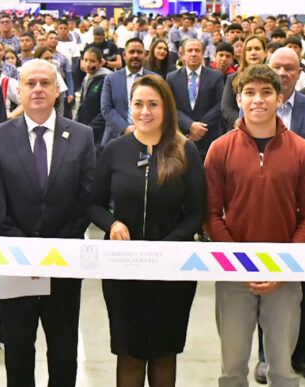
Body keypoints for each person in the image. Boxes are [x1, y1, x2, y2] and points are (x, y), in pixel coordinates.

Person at [204, 63, 305, 387]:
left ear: (279, 98)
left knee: (283, 370)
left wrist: (283, 266)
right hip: (233, 275)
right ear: (239, 98)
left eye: (266, 93)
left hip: (284, 275)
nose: (258, 100)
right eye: (250, 93)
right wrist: (239, 263)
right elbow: (211, 215)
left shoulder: (302, 151)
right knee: (232, 370)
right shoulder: (219, 150)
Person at [0, 59, 96, 387]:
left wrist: (53, 249)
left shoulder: (82, 136)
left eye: (45, 82)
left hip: (64, 260)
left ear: (58, 89)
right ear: (19, 91)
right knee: (18, 346)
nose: (38, 89)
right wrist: (24, 249)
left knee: (62, 346)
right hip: (17, 260)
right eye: (30, 83)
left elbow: (86, 198)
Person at [88, 75, 206, 387]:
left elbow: (197, 213)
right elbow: (94, 205)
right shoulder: (115, 150)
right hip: (123, 269)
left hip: (172, 270)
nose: (145, 111)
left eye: (153, 104)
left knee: (164, 352)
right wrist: (112, 224)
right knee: (129, 352)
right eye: (138, 104)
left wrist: (168, 247)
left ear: (166, 108)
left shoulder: (185, 151)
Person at [166, 37, 225, 156]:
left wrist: (199, 128)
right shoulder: (171, 78)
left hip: (209, 135)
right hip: (182, 136)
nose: (193, 54)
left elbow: (220, 105)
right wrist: (190, 125)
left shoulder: (216, 76)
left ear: (203, 54)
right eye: (190, 50)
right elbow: (170, 107)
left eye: (197, 50)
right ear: (182, 55)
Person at [100, 37, 157, 146]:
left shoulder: (155, 79)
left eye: (139, 52)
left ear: (145, 55)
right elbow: (106, 109)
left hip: (148, 137)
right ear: (124, 55)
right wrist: (126, 128)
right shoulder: (111, 79)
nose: (135, 55)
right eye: (131, 52)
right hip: (116, 137)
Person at [218, 35, 268, 128]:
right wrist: (240, 122)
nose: (253, 53)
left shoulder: (273, 78)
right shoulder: (233, 78)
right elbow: (226, 108)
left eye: (257, 49)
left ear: (265, 53)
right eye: (249, 49)